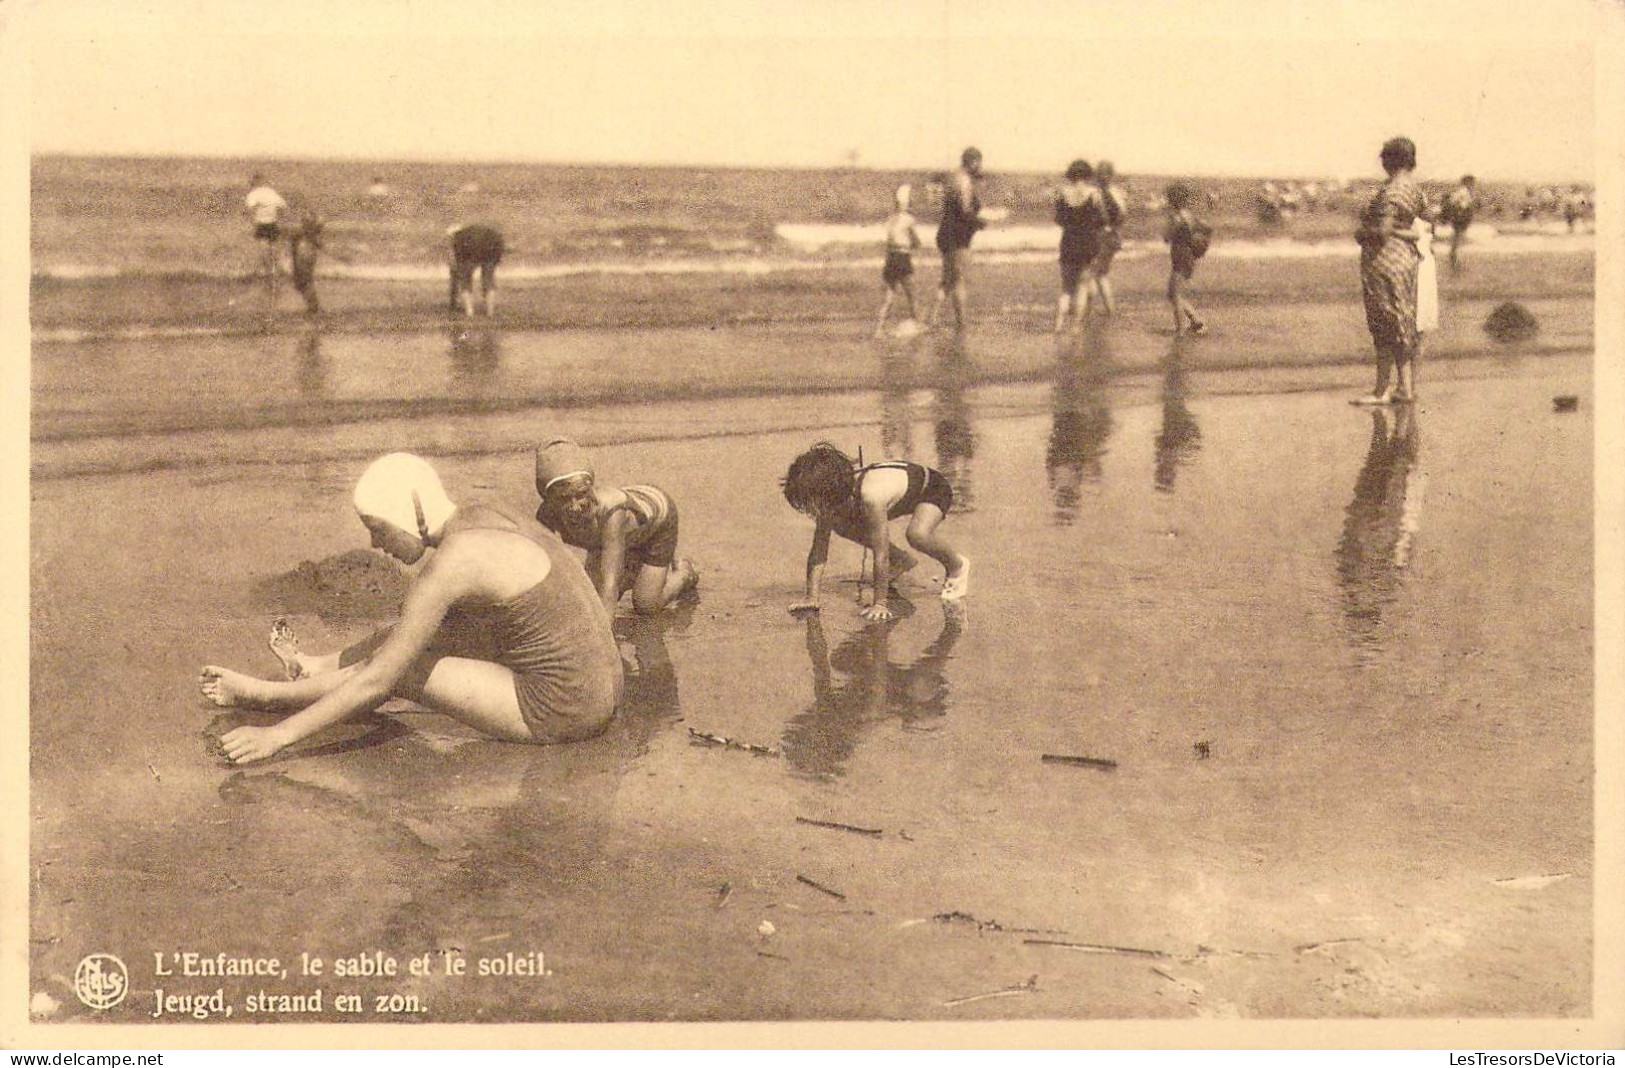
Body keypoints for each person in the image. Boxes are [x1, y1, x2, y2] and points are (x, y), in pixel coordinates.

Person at [198, 453, 624, 765]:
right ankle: (314, 667)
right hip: (608, 688)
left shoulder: (451, 564)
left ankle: (267, 696)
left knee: (405, 668)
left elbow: (381, 680)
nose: (375, 546)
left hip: (565, 712)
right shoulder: (489, 515)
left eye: (379, 529)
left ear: (411, 513)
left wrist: (278, 737)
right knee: (425, 634)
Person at [782, 442, 969, 622]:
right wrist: (811, 597)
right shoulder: (831, 499)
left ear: (827, 492)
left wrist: (880, 603)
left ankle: (956, 566)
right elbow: (819, 550)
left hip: (931, 487)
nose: (814, 510)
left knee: (917, 535)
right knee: (840, 524)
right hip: (902, 493)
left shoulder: (871, 496)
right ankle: (901, 560)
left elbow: (881, 554)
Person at [533, 437, 699, 615]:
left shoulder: (612, 513)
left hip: (657, 518)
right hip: (613, 538)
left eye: (581, 494)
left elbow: (609, 585)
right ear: (548, 498)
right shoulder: (546, 515)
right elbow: (539, 570)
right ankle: (634, 565)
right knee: (590, 601)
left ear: (590, 487)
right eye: (563, 498)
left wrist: (604, 640)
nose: (575, 506)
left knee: (646, 604)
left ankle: (684, 574)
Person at [1353, 137, 1429, 406]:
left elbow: (1382, 231)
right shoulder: (1414, 189)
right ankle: (1405, 387)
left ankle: (1381, 389)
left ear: (1390, 160)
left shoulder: (1391, 190)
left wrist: (1361, 233)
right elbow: (1422, 225)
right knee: (1402, 322)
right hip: (1406, 260)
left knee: (1383, 324)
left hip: (1384, 262)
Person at [928, 147, 987, 331]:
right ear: (973, 161)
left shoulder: (953, 177)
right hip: (958, 236)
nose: (981, 166)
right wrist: (980, 222)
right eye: (979, 162)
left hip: (945, 233)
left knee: (947, 280)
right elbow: (965, 211)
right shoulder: (964, 181)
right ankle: (962, 324)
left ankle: (932, 319)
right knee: (959, 280)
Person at [1053, 159, 1103, 333]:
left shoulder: (1062, 193)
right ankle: (1075, 327)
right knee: (1082, 287)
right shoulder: (1094, 193)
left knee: (1066, 288)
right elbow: (1101, 219)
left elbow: (1058, 220)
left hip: (1068, 242)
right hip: (1088, 243)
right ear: (1087, 175)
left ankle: (1058, 325)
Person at [875, 183, 923, 338]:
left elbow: (889, 239)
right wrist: (916, 244)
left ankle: (878, 329)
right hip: (903, 258)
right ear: (907, 203)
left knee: (889, 296)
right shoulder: (909, 219)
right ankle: (917, 325)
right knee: (912, 294)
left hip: (890, 259)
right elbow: (916, 241)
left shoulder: (891, 219)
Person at [1163, 182, 1211, 336]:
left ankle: (1180, 330)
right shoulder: (1189, 215)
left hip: (1181, 256)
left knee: (1175, 294)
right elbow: (1207, 229)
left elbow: (1166, 237)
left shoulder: (1176, 217)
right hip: (1188, 256)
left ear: (1171, 200)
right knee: (1172, 293)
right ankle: (1196, 322)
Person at [1082, 160, 1128, 316]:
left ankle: (1087, 311)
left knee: (1089, 274)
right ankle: (1110, 310)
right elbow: (1122, 215)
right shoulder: (1118, 193)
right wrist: (1113, 227)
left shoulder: (1095, 194)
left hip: (1098, 236)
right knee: (1102, 275)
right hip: (1113, 236)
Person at [447, 223, 505, 317]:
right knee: (488, 279)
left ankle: (470, 312)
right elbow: (499, 246)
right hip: (492, 245)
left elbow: (454, 264)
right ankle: (490, 312)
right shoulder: (483, 232)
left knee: (466, 280)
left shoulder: (458, 239)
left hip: (473, 249)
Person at [245, 174, 288, 290]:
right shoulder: (272, 192)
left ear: (254, 183)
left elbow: (249, 209)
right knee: (273, 252)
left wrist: (252, 223)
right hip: (273, 224)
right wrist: (278, 217)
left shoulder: (253, 194)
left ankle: (270, 276)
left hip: (262, 225)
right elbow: (283, 206)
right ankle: (276, 274)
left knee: (264, 252)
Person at [287, 214, 327, 315]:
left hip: (303, 257)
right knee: (304, 282)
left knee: (303, 282)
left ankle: (313, 307)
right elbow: (320, 245)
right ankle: (313, 306)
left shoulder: (301, 233)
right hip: (308, 257)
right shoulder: (311, 234)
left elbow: (293, 247)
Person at [1442, 174, 1477, 271]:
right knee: (1458, 237)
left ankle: (1454, 257)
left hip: (1459, 217)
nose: (1473, 185)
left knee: (1457, 237)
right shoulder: (1464, 192)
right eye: (1472, 183)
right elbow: (1457, 203)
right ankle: (1455, 258)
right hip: (1460, 217)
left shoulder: (1462, 192)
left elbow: (1452, 202)